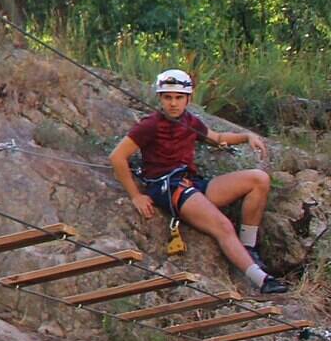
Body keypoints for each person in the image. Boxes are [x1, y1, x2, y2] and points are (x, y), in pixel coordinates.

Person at [109, 68, 287, 295]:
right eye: (167, 97)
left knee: (258, 179)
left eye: (178, 98)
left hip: (192, 183)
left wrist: (247, 136)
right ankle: (261, 280)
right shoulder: (150, 125)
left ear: (188, 99)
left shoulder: (190, 121)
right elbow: (117, 156)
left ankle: (248, 248)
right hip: (168, 186)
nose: (173, 103)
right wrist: (136, 195)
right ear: (160, 98)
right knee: (222, 226)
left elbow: (218, 138)